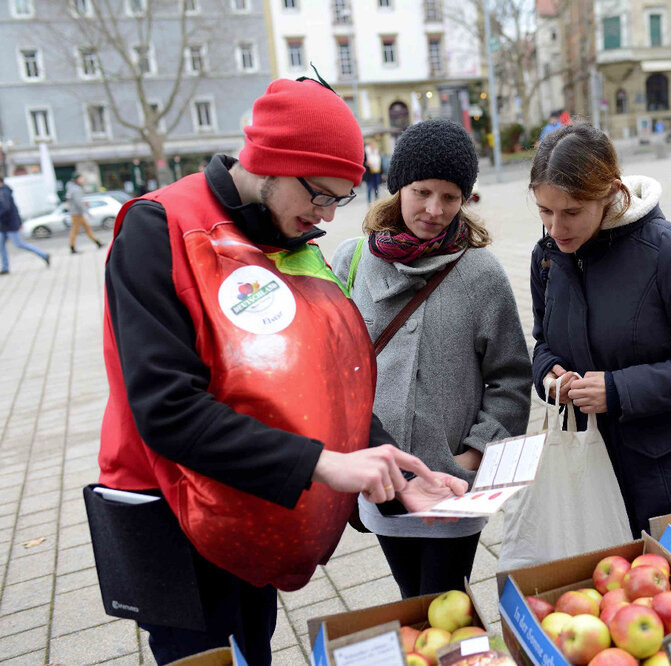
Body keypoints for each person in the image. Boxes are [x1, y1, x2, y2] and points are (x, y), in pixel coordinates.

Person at [99, 77, 467, 665]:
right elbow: (166, 410)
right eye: (319, 194)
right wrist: (324, 464)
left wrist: (395, 472)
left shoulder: (289, 233)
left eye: (340, 199)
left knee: (256, 648)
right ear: (272, 162)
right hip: (176, 519)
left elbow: (331, 377)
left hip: (257, 511)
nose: (324, 216)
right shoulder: (158, 228)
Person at [332, 119, 531, 598]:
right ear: (398, 185)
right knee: (412, 601)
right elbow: (335, 369)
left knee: (447, 603)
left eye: (450, 197)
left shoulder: (482, 273)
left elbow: (512, 378)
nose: (434, 209)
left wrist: (474, 452)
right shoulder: (352, 262)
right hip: (382, 485)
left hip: (452, 489)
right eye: (421, 191)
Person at [528, 123, 671, 536]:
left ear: (610, 192)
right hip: (599, 482)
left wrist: (617, 390)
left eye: (572, 212)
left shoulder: (669, 250)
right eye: (545, 210)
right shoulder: (548, 259)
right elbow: (544, 341)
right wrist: (549, 371)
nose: (556, 229)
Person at [0, 176, 51, 274]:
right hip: (3, 225)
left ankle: (44, 255)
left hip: (10, 225)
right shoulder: (4, 191)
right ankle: (5, 268)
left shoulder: (3, 192)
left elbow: (6, 208)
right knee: (1, 246)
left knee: (19, 244)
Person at [65, 173, 103, 253]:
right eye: (81, 178)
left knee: (87, 227)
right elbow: (79, 202)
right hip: (77, 213)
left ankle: (97, 242)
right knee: (75, 230)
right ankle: (72, 247)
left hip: (77, 213)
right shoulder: (76, 189)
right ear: (77, 179)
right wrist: (87, 212)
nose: (83, 180)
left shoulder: (72, 188)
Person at [364, 138, 383, 203]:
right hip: (370, 172)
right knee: (370, 187)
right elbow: (364, 162)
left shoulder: (376, 152)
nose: (374, 146)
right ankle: (369, 200)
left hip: (377, 171)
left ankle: (376, 198)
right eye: (373, 144)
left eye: (375, 145)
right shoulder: (366, 152)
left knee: (376, 186)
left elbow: (380, 162)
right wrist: (367, 163)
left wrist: (382, 172)